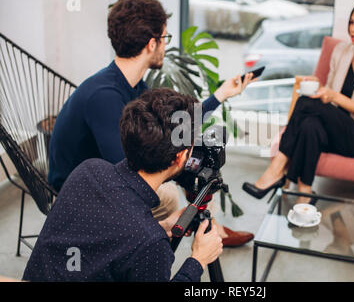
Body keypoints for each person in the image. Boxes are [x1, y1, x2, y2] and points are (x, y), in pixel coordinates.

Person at [48, 0, 254, 246]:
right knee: (167, 191)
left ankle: (204, 227)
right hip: (78, 198)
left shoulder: (128, 83)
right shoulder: (105, 97)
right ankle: (144, 247)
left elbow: (175, 125)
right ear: (151, 44)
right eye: (165, 39)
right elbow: (131, 172)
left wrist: (221, 95)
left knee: (186, 167)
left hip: (103, 177)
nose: (165, 46)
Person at [23, 89, 223, 282]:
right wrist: (198, 260)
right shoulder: (149, 243)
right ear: (179, 158)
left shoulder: (88, 170)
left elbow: (96, 244)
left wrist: (160, 228)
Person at [243, 0, 354, 203]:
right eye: (351, 22)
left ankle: (277, 168)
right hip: (333, 129)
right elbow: (330, 93)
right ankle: (305, 193)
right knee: (310, 124)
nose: (353, 28)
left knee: (306, 103)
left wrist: (333, 96)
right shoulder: (341, 51)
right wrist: (320, 87)